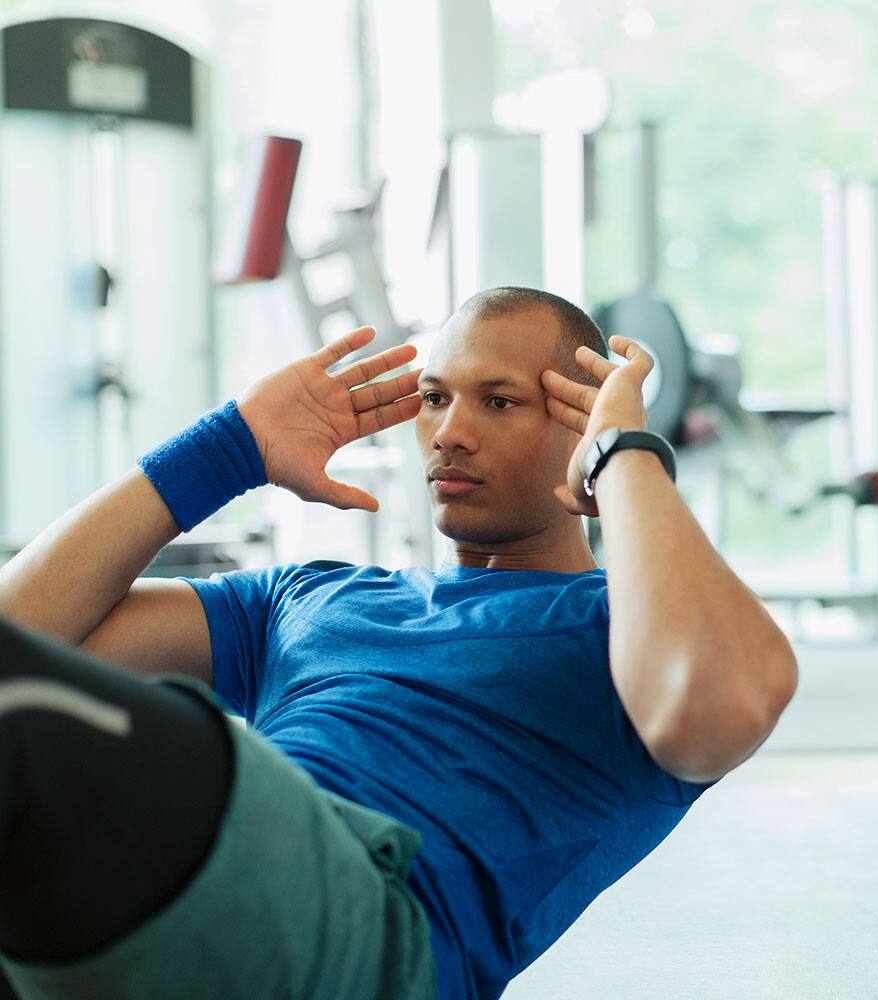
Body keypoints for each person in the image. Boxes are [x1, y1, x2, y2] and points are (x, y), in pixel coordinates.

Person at [0, 287, 798, 1000]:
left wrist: (626, 454)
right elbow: (18, 633)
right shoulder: (309, 596)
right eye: (433, 398)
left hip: (366, 929)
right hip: (158, 914)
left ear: (577, 425)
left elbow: (718, 710)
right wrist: (227, 449)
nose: (450, 432)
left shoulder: (625, 629)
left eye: (499, 402)